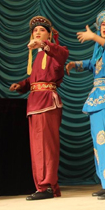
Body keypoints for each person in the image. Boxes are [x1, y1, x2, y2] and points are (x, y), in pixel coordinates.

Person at [66, 10, 105, 200]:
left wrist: (93, 37)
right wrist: (75, 64)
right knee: (99, 142)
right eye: (102, 25)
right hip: (97, 97)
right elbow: (92, 64)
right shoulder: (99, 51)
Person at [10, 16, 69, 200]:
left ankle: (48, 185)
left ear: (49, 35)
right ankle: (41, 186)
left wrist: (44, 45)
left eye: (42, 30)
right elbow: (35, 79)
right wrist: (22, 85)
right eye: (35, 31)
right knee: (37, 147)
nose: (37, 32)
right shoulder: (38, 57)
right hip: (34, 103)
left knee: (47, 146)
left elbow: (62, 55)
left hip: (47, 103)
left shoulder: (54, 51)